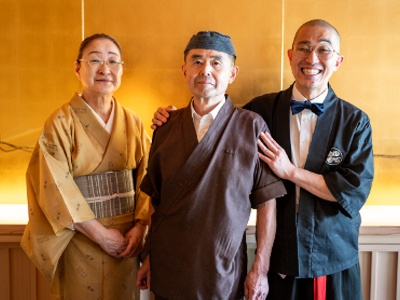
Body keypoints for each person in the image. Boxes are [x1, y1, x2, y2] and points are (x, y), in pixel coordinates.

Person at [151, 20, 374, 300]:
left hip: (331, 257)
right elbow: (214, 124)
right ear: (290, 56)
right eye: (303, 48)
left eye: (323, 50)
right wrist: (171, 118)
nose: (312, 58)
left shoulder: (355, 122)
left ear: (338, 61)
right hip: (278, 259)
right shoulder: (260, 111)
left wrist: (290, 171)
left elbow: (352, 191)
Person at [135, 31, 287, 299]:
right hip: (169, 265)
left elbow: (267, 203)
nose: (205, 70)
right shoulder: (166, 126)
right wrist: (149, 256)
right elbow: (155, 201)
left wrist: (260, 269)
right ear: (184, 70)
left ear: (232, 73)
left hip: (222, 268)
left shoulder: (251, 126)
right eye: (197, 61)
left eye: (216, 62)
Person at [21, 33, 151, 300]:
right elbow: (54, 187)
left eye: (113, 61)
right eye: (95, 60)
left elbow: (148, 179)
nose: (105, 69)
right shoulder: (60, 122)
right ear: (78, 68)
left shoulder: (133, 121)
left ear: (122, 69)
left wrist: (139, 227)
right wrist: (100, 235)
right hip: (80, 239)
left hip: (126, 241)